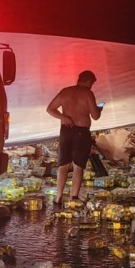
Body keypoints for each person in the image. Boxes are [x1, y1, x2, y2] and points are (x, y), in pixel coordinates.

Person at [46, 70, 101, 204]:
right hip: (81, 131)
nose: (91, 86)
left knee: (63, 164)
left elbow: (50, 109)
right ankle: (74, 197)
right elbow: (95, 116)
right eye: (91, 83)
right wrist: (99, 109)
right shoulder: (88, 93)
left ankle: (58, 196)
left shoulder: (65, 91)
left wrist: (64, 117)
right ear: (88, 81)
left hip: (66, 130)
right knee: (78, 165)